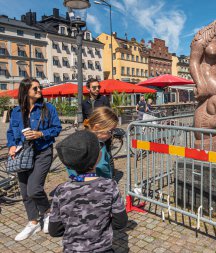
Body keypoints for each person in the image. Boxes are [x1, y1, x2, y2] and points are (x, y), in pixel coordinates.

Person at [49, 130, 128, 253]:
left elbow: (54, 230)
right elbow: (121, 222)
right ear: (97, 158)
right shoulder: (109, 186)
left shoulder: (61, 190)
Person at [7, 78, 62, 241]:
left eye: (40, 88)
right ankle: (33, 222)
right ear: (26, 92)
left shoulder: (48, 108)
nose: (40, 91)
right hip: (22, 153)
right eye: (36, 89)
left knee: (34, 189)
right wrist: (11, 145)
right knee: (25, 191)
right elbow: (10, 132)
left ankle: (47, 213)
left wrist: (40, 134)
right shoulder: (16, 112)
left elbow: (57, 128)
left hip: (42, 151)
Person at [67, 107, 118, 179]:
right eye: (110, 131)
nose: (111, 135)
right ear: (97, 127)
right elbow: (103, 169)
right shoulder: (90, 146)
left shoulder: (99, 143)